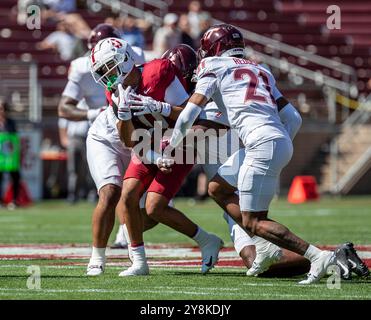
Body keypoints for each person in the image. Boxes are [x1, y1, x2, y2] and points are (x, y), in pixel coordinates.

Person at [158, 24, 364, 284]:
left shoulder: (214, 67)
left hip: (260, 144)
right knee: (216, 188)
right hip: (275, 140)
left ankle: (320, 257)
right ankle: (266, 251)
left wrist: (171, 144)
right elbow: (294, 118)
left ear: (214, 49)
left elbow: (189, 114)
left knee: (254, 221)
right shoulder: (260, 68)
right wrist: (275, 144)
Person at [90, 39, 223, 276]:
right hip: (147, 143)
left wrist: (159, 107)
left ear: (126, 58)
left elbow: (190, 116)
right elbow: (129, 141)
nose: (107, 74)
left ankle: (207, 240)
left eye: (110, 65)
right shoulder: (113, 93)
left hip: (181, 142)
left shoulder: (158, 72)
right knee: (127, 195)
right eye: (102, 70)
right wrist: (124, 116)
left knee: (154, 208)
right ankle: (139, 262)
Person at [57, 23, 145, 276]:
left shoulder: (139, 56)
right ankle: (97, 256)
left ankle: (129, 241)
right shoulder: (83, 66)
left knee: (149, 200)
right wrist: (96, 112)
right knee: (109, 192)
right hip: (105, 132)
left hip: (138, 130)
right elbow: (64, 108)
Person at [58, 100, 93, 204]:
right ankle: (73, 194)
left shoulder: (89, 103)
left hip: (88, 137)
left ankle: (92, 193)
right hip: (73, 138)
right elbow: (62, 123)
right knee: (73, 168)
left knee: (90, 167)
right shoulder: (72, 103)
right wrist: (64, 139)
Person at [0, 100, 21, 210]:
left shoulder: (11, 122)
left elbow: (15, 138)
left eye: (3, 108)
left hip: (10, 156)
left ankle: (14, 200)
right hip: (0, 157)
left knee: (15, 177)